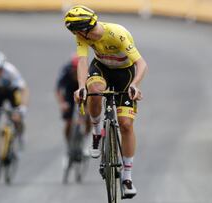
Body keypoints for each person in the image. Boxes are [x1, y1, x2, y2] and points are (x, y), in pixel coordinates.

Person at [64, 5, 148, 198]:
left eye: (76, 30)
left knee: (126, 124)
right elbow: (83, 62)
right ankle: (96, 131)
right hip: (101, 67)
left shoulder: (117, 34)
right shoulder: (82, 36)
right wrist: (80, 86)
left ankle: (127, 176)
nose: (75, 34)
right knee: (94, 90)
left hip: (124, 73)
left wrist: (135, 84)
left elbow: (141, 63)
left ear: (86, 28)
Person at [0, 50, 29, 173]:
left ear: (3, 68)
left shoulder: (11, 72)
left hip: (12, 92)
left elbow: (24, 90)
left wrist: (22, 107)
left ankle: (19, 134)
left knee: (17, 116)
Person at [55, 54, 90, 148]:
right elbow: (58, 89)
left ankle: (86, 137)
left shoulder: (88, 73)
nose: (76, 73)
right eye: (74, 71)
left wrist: (88, 109)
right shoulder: (66, 71)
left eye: (78, 71)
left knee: (89, 116)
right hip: (70, 91)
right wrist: (62, 104)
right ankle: (69, 144)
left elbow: (92, 93)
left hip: (84, 91)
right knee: (68, 121)